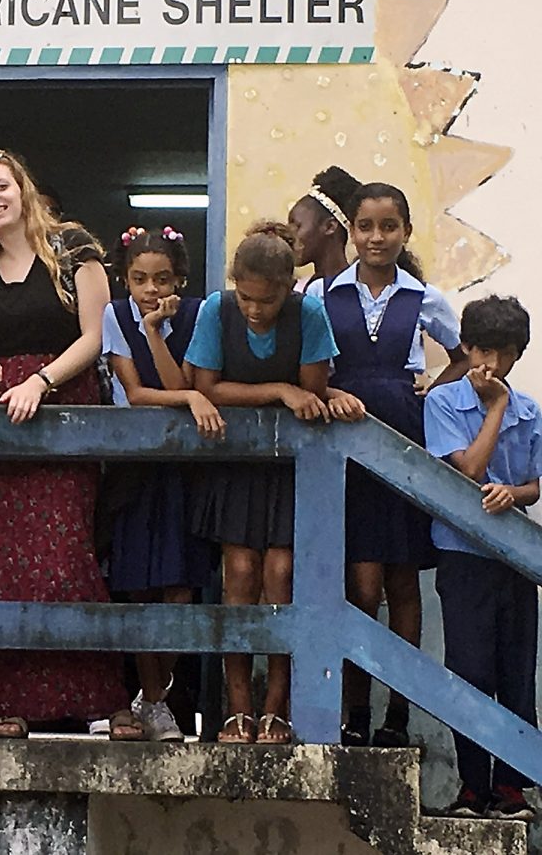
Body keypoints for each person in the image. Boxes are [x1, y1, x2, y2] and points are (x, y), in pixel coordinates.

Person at [0, 148, 140, 740]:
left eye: (0, 186)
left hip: (62, 407)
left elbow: (96, 335)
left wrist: (40, 380)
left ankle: (95, 700)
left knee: (63, 554)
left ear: (22, 188)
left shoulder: (73, 247)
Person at [306, 182, 466, 748]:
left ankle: (397, 715)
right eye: (366, 226)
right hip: (345, 441)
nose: (377, 237)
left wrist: (433, 388)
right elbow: (310, 365)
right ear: (351, 231)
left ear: (406, 232)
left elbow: (464, 355)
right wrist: (328, 394)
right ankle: (355, 710)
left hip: (403, 439)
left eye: (389, 226)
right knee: (361, 584)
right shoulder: (321, 293)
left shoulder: (424, 297)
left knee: (402, 581)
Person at [184, 221, 349, 744]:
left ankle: (277, 707)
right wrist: (278, 389)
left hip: (290, 466)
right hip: (235, 463)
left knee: (281, 576)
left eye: (267, 300)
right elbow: (207, 387)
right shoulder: (216, 310)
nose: (254, 310)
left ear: (289, 287)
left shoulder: (309, 313)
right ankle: (238, 709)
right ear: (234, 285)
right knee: (239, 575)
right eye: (246, 298)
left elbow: (313, 391)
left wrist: (298, 393)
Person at [101, 225, 222, 742]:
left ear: (180, 279)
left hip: (185, 470)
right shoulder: (114, 315)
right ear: (125, 280)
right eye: (139, 279)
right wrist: (190, 399)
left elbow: (180, 383)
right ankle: (153, 700)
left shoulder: (199, 314)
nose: (151, 290)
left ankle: (156, 695)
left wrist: (156, 333)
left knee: (180, 587)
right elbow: (136, 393)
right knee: (140, 586)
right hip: (134, 469)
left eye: (162, 279)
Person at [425, 295, 540, 822]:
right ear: (467, 348)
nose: (490, 364)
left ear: (517, 354)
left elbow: (534, 485)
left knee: (515, 672)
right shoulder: (443, 403)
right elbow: (468, 470)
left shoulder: (531, 412)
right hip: (463, 554)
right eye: (482, 351)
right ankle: (472, 788)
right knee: (469, 671)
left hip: (515, 557)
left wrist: (514, 494)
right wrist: (494, 408)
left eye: (503, 353)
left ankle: (511, 790)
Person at [287, 165, 361, 290]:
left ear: (330, 227)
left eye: (297, 226)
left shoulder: (360, 291)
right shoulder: (297, 290)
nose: (288, 235)